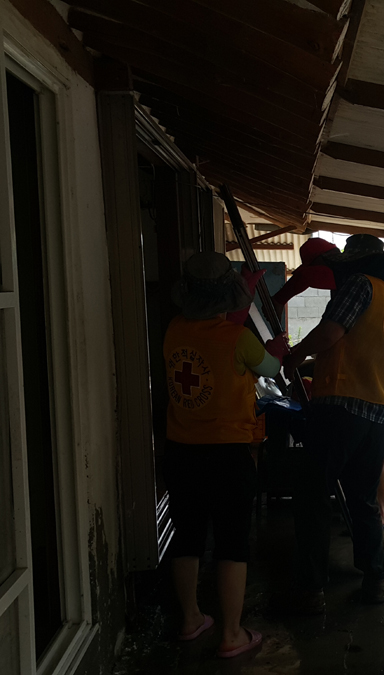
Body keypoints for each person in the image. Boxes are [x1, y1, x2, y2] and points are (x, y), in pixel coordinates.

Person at [163, 252, 280, 658]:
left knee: (188, 537)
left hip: (180, 453)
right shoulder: (238, 339)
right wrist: (278, 350)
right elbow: (271, 369)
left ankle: (191, 618)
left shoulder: (174, 331)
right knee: (232, 543)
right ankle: (232, 633)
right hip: (227, 454)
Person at [282, 234, 384, 609]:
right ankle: (375, 579)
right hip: (376, 414)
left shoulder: (358, 285)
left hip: (340, 408)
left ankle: (312, 586)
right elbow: (356, 349)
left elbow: (331, 332)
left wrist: (294, 355)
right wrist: (311, 363)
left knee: (312, 496)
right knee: (363, 501)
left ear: (354, 263)